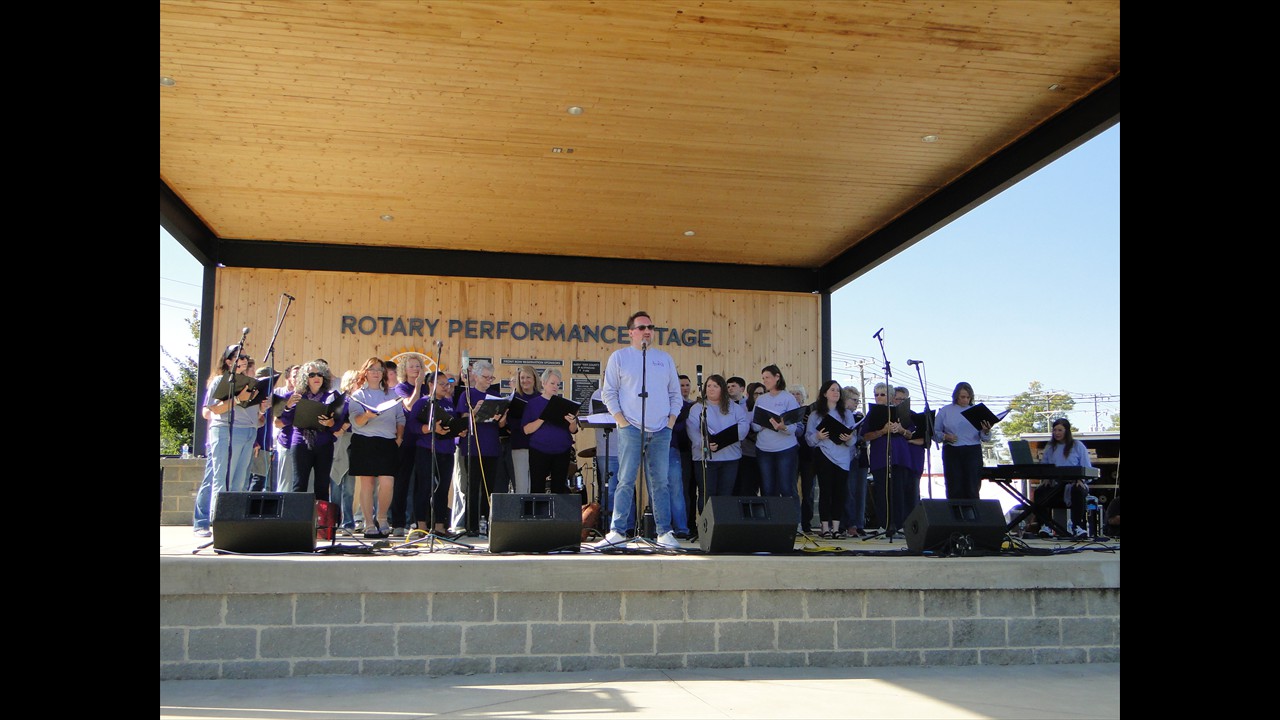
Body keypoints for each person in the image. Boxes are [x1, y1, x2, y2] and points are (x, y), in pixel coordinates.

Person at [595, 311, 682, 549]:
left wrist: (670, 421)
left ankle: (664, 532)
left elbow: (676, 394)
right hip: (631, 428)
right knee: (625, 480)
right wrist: (621, 421)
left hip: (661, 430)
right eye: (642, 327)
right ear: (631, 331)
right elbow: (608, 392)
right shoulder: (619, 357)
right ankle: (618, 531)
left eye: (651, 327)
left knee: (661, 482)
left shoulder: (664, 359)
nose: (647, 331)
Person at [192, 343, 256, 537]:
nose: (244, 361)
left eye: (245, 357)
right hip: (225, 431)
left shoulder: (248, 381)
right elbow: (213, 410)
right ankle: (214, 523)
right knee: (220, 479)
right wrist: (237, 399)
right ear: (229, 361)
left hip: (246, 431)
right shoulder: (220, 380)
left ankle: (234, 522)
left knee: (239, 480)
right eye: (239, 357)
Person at [348, 357, 405, 539]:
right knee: (367, 483)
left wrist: (399, 437)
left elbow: (400, 419)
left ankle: (382, 518)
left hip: (387, 441)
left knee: (388, 482)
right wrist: (367, 416)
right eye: (372, 369)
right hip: (364, 441)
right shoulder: (358, 395)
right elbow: (355, 421)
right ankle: (368, 522)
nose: (375, 372)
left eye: (379, 369)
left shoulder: (391, 394)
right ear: (365, 372)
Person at [457, 360, 508, 535]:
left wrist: (503, 413)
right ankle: (471, 525)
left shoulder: (494, 394)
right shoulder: (467, 394)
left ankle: (487, 522)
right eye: (485, 377)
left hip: (492, 446)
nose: (488, 380)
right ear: (476, 376)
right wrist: (475, 411)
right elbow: (463, 420)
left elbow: (501, 424)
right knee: (473, 486)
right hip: (473, 446)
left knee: (490, 487)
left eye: (491, 377)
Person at [280, 360, 342, 503]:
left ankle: (321, 522)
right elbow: (285, 420)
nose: (316, 377)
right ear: (305, 378)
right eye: (312, 374)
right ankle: (297, 522)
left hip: (324, 444)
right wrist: (288, 406)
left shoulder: (332, 396)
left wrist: (331, 422)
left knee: (322, 485)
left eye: (320, 374)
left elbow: (337, 425)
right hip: (301, 443)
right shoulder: (295, 396)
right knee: (299, 483)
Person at [806, 380, 858, 538]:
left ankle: (836, 527)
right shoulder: (815, 415)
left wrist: (847, 437)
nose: (836, 393)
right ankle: (825, 527)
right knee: (825, 491)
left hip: (842, 457)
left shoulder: (847, 414)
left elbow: (853, 438)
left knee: (839, 493)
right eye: (832, 390)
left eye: (838, 390)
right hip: (824, 455)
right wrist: (818, 436)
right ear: (824, 393)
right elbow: (808, 439)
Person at [413, 370, 463, 534]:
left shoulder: (449, 403)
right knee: (425, 487)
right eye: (441, 384)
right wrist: (430, 428)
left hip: (447, 451)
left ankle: (440, 525)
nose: (445, 387)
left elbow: (452, 423)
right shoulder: (423, 403)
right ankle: (421, 525)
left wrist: (459, 431)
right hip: (427, 449)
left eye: (447, 384)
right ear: (431, 385)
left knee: (443, 488)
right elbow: (411, 426)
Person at [689, 374, 751, 501]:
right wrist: (704, 443)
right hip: (705, 458)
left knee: (726, 494)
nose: (711, 389)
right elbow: (692, 429)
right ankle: (706, 520)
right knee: (707, 493)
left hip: (730, 458)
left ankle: (724, 521)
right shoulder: (697, 408)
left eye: (715, 386)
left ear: (722, 389)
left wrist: (725, 439)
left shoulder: (734, 407)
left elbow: (743, 426)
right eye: (708, 386)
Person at [863, 382, 915, 536]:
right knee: (881, 492)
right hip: (880, 456)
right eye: (876, 394)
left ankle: (899, 525)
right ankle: (883, 524)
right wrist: (882, 431)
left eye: (882, 394)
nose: (879, 397)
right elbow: (865, 435)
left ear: (891, 397)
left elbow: (912, 434)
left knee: (899, 491)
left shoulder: (903, 412)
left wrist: (901, 429)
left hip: (900, 456)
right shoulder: (872, 414)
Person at [752, 365, 802, 517]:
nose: (765, 380)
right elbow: (753, 425)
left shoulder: (788, 398)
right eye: (763, 378)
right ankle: (771, 521)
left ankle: (793, 521)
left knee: (787, 487)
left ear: (777, 377)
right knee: (767, 488)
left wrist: (783, 427)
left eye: (767, 377)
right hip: (764, 449)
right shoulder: (761, 399)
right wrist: (762, 424)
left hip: (785, 449)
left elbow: (794, 426)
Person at [522, 369, 581, 494]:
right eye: (552, 383)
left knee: (559, 488)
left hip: (562, 450)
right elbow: (526, 430)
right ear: (543, 383)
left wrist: (573, 421)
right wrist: (544, 417)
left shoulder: (564, 404)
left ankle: (557, 513)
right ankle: (537, 513)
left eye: (558, 384)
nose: (555, 387)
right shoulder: (533, 404)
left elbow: (573, 430)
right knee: (537, 487)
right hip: (539, 450)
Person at [1034, 418, 1092, 539]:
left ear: (1067, 431)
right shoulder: (1050, 447)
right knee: (1040, 492)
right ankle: (1045, 525)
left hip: (1074, 484)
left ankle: (1077, 526)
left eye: (1060, 430)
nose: (1057, 433)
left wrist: (1081, 479)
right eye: (1054, 430)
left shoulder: (1077, 445)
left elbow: (1087, 468)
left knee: (1077, 490)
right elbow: (1045, 467)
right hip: (1056, 484)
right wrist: (1046, 478)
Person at [932, 381, 991, 500]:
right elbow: (934, 432)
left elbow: (985, 438)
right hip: (952, 451)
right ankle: (955, 515)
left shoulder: (976, 411)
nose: (965, 400)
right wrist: (945, 436)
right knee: (954, 486)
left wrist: (986, 431)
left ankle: (973, 515)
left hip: (973, 450)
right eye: (962, 397)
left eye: (968, 397)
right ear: (956, 396)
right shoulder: (945, 411)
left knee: (972, 486)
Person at [389, 354, 426, 534]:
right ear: (404, 369)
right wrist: (418, 386)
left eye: (418, 366)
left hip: (424, 441)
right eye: (411, 366)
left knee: (421, 484)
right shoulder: (401, 388)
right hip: (406, 440)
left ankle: (418, 522)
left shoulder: (428, 388)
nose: (415, 369)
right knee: (402, 481)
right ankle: (398, 522)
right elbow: (410, 406)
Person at [508, 365, 542, 494]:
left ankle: (534, 513)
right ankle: (521, 513)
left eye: (528, 377)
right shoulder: (513, 398)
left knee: (536, 485)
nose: (525, 380)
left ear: (534, 379)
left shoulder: (541, 398)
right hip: (519, 446)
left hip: (538, 447)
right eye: (522, 378)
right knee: (521, 486)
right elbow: (510, 424)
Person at [841, 386, 869, 536]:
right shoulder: (841, 415)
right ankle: (849, 523)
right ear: (845, 399)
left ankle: (859, 523)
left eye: (858, 400)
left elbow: (866, 436)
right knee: (849, 492)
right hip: (846, 457)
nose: (857, 403)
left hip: (861, 456)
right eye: (854, 400)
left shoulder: (859, 417)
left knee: (860, 492)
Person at [734, 382, 766, 496]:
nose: (758, 396)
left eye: (761, 393)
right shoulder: (742, 409)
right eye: (755, 393)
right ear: (749, 395)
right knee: (747, 488)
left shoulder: (768, 407)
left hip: (765, 452)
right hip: (747, 453)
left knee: (766, 487)